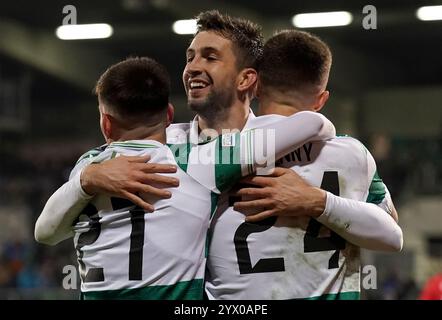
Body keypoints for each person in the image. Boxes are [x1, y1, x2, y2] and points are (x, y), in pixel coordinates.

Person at [35, 11, 402, 299]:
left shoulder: (324, 152)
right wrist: (87, 178)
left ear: (247, 80)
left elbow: (390, 230)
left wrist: (318, 199)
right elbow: (53, 228)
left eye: (210, 57)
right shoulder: (162, 149)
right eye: (190, 57)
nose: (193, 66)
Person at [35, 56, 336, 299]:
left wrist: (86, 181)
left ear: (106, 124)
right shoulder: (201, 162)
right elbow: (312, 123)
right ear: (168, 114)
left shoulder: (88, 167)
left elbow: (45, 233)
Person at [204, 30, 402, 300]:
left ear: (256, 86)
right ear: (321, 100)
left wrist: (316, 201)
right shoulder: (352, 154)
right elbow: (391, 234)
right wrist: (322, 203)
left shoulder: (217, 153)